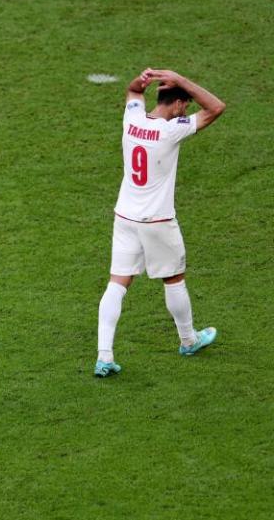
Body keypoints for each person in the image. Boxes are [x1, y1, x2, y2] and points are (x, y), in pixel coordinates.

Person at [94, 68, 226, 377]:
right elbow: (216, 107)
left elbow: (133, 93)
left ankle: (104, 356)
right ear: (180, 104)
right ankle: (188, 340)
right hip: (158, 220)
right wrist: (180, 79)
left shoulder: (133, 120)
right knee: (174, 279)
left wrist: (138, 83)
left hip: (125, 216)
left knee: (117, 283)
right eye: (185, 105)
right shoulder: (172, 130)